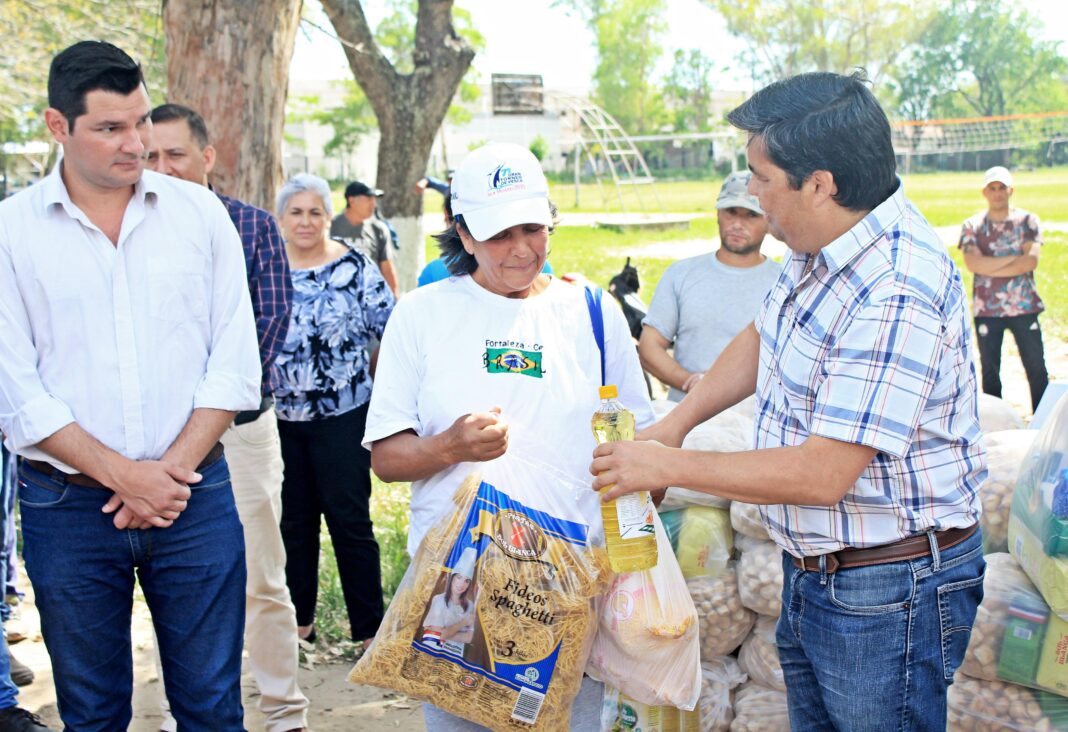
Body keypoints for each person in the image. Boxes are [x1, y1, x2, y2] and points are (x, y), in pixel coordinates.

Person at [590, 72, 985, 731]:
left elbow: (820, 473)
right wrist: (677, 425)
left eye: (761, 176)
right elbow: (765, 332)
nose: (751, 194)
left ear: (820, 183)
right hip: (821, 570)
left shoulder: (895, 286)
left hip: (888, 592)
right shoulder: (822, 239)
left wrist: (667, 468)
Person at [0, 41, 260, 729]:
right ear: (58, 126)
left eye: (140, 122)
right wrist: (124, 475)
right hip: (66, 507)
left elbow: (234, 362)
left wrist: (166, 475)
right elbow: (16, 390)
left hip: (194, 499)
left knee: (211, 708)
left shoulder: (201, 217)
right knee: (92, 713)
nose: (136, 143)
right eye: (110, 128)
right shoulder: (11, 233)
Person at [363, 142, 654, 730]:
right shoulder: (421, 316)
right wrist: (451, 447)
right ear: (462, 232)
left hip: (570, 593)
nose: (521, 250)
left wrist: (621, 553)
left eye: (533, 228)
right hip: (458, 595)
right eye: (499, 235)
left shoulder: (593, 315)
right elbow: (388, 459)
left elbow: (642, 449)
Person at [146, 102, 310, 732]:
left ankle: (282, 710)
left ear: (207, 158)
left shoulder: (252, 227)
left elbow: (264, 332)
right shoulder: (130, 230)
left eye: (176, 155)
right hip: (153, 447)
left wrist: (195, 419)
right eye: (151, 155)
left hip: (239, 436)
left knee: (263, 576)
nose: (162, 168)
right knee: (167, 584)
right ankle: (171, 711)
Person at [273, 173, 395, 649]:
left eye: (315, 211)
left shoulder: (354, 267)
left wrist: (378, 388)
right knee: (294, 523)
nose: (306, 221)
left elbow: (392, 331)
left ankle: (368, 631)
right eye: (295, 212)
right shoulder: (265, 270)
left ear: (329, 215)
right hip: (281, 419)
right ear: (281, 219)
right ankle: (298, 626)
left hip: (345, 416)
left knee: (350, 521)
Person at [639, 171, 780, 401]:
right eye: (730, 212)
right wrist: (691, 383)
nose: (737, 224)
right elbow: (650, 347)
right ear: (717, 213)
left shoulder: (785, 283)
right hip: (687, 417)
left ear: (768, 220)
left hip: (756, 419)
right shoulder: (681, 274)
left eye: (751, 215)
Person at [959, 165, 1049, 412]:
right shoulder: (973, 225)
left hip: (1024, 306)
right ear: (985, 192)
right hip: (988, 308)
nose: (997, 193)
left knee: (1036, 366)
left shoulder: (1027, 221)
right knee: (990, 370)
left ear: (1011, 190)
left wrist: (990, 266)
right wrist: (1013, 259)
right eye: (993, 188)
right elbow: (973, 263)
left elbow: (1031, 261)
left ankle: (1039, 419)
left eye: (1002, 188)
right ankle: (995, 421)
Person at [330, 180, 399, 297]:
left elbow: (387, 268)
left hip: (370, 298)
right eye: (368, 199)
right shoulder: (331, 227)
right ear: (351, 200)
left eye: (374, 200)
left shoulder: (378, 229)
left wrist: (395, 298)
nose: (374, 204)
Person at [421, 547, 478, 657]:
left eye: (467, 581)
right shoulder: (438, 600)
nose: (461, 584)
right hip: (431, 652)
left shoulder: (470, 605)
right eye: (459, 577)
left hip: (453, 656)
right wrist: (463, 623)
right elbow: (440, 636)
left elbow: (469, 637)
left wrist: (444, 633)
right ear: (452, 578)